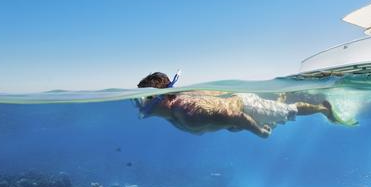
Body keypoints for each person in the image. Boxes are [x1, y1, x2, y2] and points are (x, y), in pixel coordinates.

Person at [134, 72, 355, 138]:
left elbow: (236, 115)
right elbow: (227, 119)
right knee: (276, 115)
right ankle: (279, 97)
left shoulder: (187, 110)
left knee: (288, 112)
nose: (139, 105)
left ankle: (324, 109)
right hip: (235, 118)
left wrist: (259, 133)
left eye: (143, 99)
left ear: (162, 97)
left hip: (246, 108)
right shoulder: (173, 116)